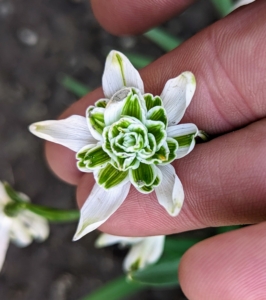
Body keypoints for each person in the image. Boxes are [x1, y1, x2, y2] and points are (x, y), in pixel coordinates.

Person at [45, 1, 266, 299]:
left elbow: (171, 83)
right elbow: (127, 68)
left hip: (162, 137)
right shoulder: (119, 157)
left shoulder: (159, 133)